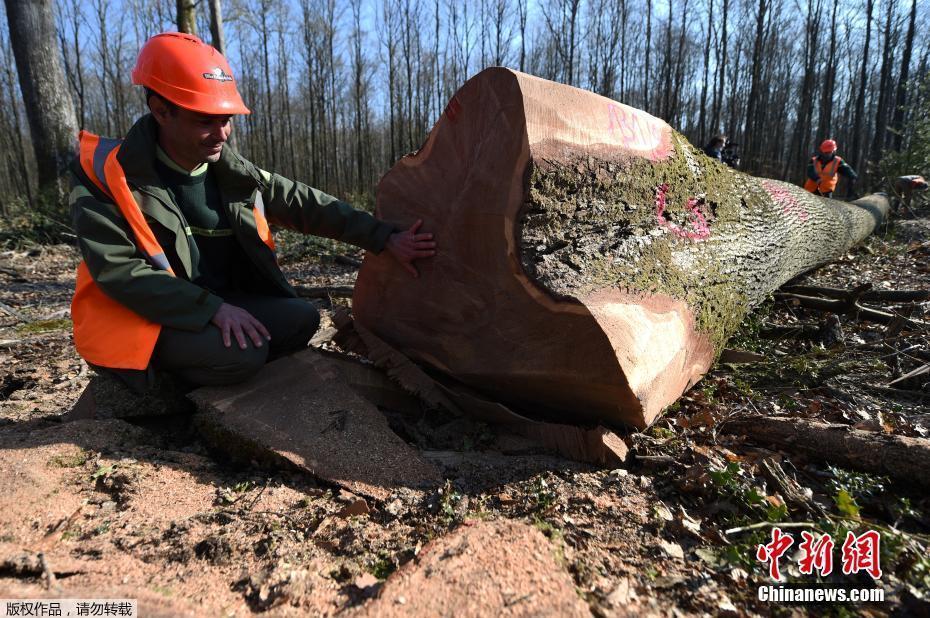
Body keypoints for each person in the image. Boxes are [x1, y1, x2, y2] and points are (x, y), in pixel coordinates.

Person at [69, 32, 436, 401]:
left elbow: (304, 203)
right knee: (243, 355)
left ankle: (212, 365)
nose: (222, 133)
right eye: (205, 121)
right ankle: (158, 392)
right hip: (142, 320)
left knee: (302, 318)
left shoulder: (232, 173)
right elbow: (120, 272)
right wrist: (211, 309)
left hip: (216, 306)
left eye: (226, 119)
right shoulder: (106, 174)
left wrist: (384, 237)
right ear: (161, 110)